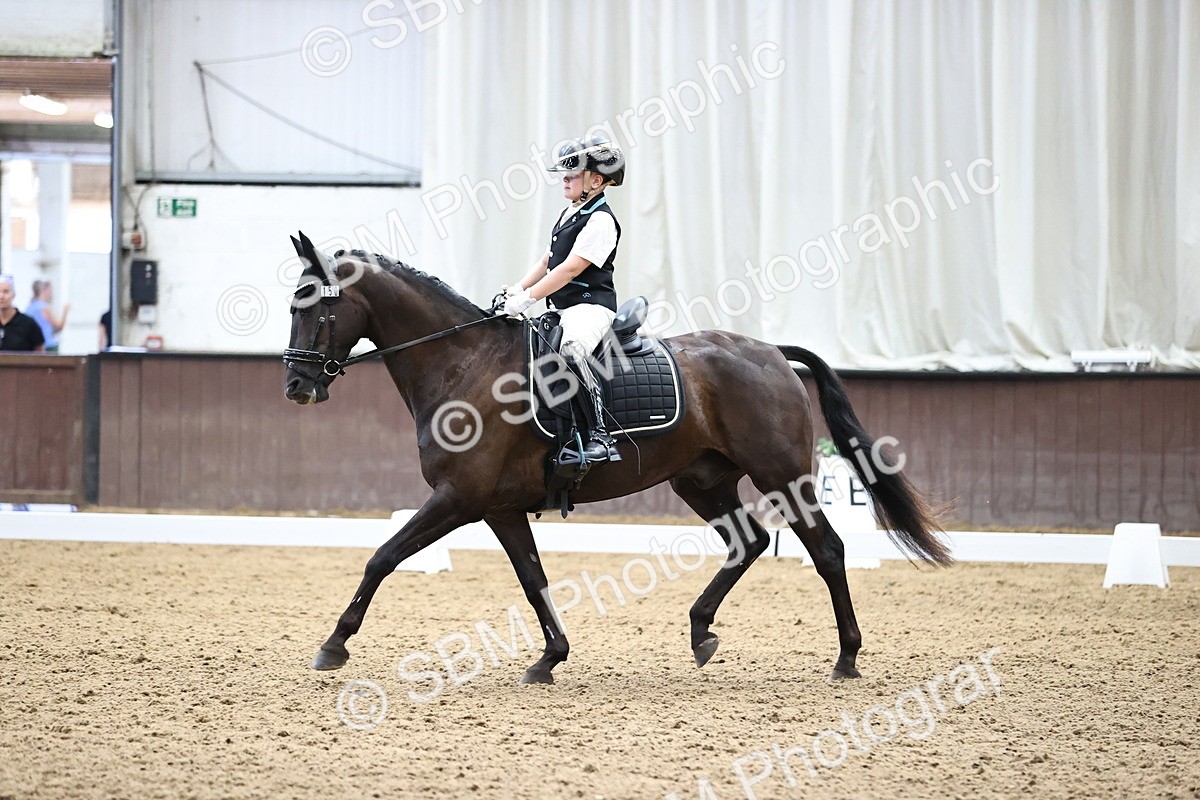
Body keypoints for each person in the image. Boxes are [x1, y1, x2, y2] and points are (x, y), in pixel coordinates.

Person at [499, 135, 626, 463]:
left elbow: (570, 269)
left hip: (589, 307)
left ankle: (600, 434)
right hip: (562, 307)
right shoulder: (570, 212)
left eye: (572, 175)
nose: (564, 180)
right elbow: (547, 260)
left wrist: (527, 299)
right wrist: (517, 288)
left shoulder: (601, 221)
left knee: (572, 351)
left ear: (596, 181)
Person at [0, 275, 46, 352]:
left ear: (13, 294)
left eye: (6, 291)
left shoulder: (28, 323)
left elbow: (40, 353)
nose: (1, 296)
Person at [26, 280, 69, 353]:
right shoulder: (44, 308)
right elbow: (58, 327)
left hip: (33, 346)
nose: (51, 294)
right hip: (49, 346)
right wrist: (65, 312)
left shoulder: (29, 308)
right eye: (50, 291)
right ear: (44, 290)